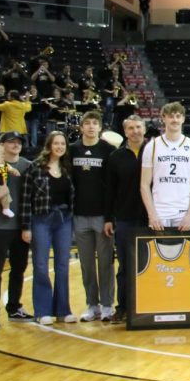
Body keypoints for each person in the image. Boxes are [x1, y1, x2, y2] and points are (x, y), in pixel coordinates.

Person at [20, 130, 75, 325]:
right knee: (41, 265)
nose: (59, 147)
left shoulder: (68, 168)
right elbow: (26, 199)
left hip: (64, 219)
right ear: (49, 145)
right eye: (56, 143)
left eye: (63, 144)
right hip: (41, 219)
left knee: (62, 265)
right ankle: (42, 310)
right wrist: (26, 227)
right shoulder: (35, 168)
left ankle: (63, 310)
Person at [0, 133, 34, 327]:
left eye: (19, 142)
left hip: (22, 225)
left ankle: (14, 307)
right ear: (1, 145)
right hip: (0, 226)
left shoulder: (28, 166)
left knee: (19, 269)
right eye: (11, 142)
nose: (16, 145)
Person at [69, 110, 116, 322]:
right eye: (86, 123)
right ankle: (92, 305)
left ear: (100, 128)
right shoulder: (72, 150)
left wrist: (110, 217)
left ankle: (107, 305)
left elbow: (112, 185)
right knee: (87, 264)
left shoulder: (108, 150)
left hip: (102, 216)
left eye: (94, 123)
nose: (90, 127)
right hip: (79, 215)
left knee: (105, 262)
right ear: (81, 128)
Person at [103, 115, 148, 324]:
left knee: (149, 265)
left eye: (138, 127)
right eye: (131, 128)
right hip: (125, 218)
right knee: (125, 266)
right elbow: (109, 190)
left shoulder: (155, 152)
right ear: (125, 131)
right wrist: (108, 218)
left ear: (144, 129)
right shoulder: (116, 157)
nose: (135, 131)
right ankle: (122, 307)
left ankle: (148, 305)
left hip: (151, 219)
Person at [140, 102, 190, 231]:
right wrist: (152, 214)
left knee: (183, 250)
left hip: (183, 211)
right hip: (159, 211)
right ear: (163, 118)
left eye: (178, 116)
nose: (175, 120)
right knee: (158, 250)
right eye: (171, 116)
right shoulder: (152, 146)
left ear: (183, 119)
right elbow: (144, 185)